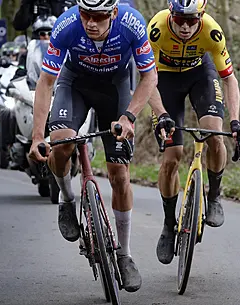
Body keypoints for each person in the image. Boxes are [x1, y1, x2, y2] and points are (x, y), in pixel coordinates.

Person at [26, 0, 157, 293]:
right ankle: (67, 198)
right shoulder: (66, 24)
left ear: (113, 13)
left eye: (98, 17)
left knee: (120, 175)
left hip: (115, 86)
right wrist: (38, 137)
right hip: (75, 85)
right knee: (61, 144)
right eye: (86, 15)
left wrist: (129, 116)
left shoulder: (132, 23)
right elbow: (47, 82)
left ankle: (124, 254)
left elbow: (150, 76)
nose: (91, 23)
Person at [145, 0, 240, 265]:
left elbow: (229, 78)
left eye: (193, 20)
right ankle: (169, 225)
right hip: (163, 79)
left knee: (214, 133)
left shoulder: (211, 31)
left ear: (201, 16)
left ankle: (213, 196)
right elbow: (146, 78)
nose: (186, 26)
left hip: (200, 74)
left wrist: (235, 120)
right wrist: (162, 114)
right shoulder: (156, 28)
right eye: (180, 19)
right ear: (171, 14)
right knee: (172, 155)